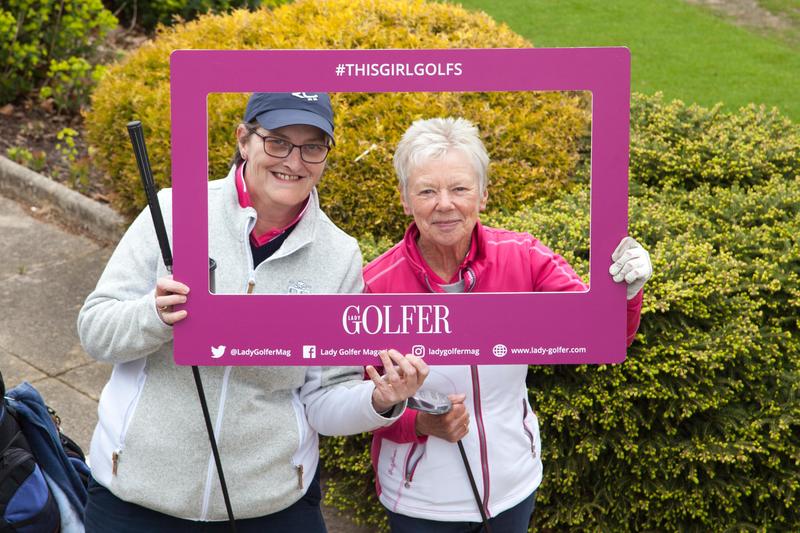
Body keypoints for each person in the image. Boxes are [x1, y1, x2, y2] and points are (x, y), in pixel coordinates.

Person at [77, 92, 428, 532]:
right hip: (138, 494)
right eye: (277, 141)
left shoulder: (339, 255)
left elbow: (323, 397)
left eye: (312, 147)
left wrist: (380, 400)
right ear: (244, 140)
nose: (294, 162)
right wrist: (154, 315)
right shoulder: (173, 210)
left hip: (271, 504)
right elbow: (95, 331)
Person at [364, 117, 653, 532]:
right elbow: (355, 398)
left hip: (513, 487)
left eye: (460, 188)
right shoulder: (375, 284)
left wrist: (624, 295)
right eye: (427, 190)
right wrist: (419, 423)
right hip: (419, 502)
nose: (444, 204)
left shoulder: (524, 256)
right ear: (405, 199)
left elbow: (601, 336)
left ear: (483, 194)